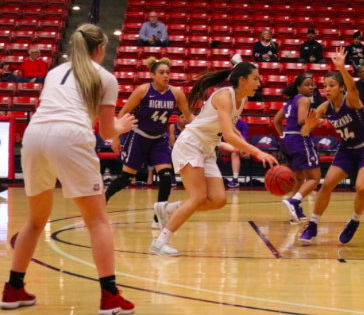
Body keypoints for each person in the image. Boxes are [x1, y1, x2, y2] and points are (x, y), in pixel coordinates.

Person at [0, 24, 138, 315]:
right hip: (70, 136)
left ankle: (13, 288)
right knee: (97, 221)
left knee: (35, 220)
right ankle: (110, 296)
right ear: (99, 49)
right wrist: (122, 126)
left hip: (35, 136)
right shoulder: (105, 77)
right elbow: (107, 130)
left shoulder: (54, 72)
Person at [150, 63, 278, 256]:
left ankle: (167, 209)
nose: (259, 83)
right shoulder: (224, 96)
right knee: (198, 198)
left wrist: (242, 144)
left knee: (218, 200)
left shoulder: (241, 100)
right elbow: (228, 134)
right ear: (242, 80)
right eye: (255, 78)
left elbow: (231, 127)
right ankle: (160, 242)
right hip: (191, 144)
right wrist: (256, 151)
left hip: (207, 148)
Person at [297, 47, 364, 244]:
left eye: (332, 85)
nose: (327, 89)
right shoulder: (325, 107)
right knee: (326, 185)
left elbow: (352, 88)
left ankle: (354, 221)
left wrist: (342, 68)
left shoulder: (351, 100)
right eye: (324, 86)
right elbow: (304, 132)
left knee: (361, 187)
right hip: (346, 150)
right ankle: (312, 225)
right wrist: (309, 126)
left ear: (341, 87)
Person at [104, 57, 193, 229]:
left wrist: (203, 127)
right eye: (161, 73)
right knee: (126, 178)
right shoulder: (142, 91)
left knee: (166, 177)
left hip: (159, 139)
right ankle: (104, 197)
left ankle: (158, 218)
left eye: (168, 73)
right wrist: (115, 136)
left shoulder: (176, 93)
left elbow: (189, 115)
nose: (166, 76)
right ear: (152, 75)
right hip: (139, 137)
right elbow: (123, 112)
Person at [273, 74, 321, 224]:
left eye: (312, 84)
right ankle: (294, 201)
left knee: (299, 178)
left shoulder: (289, 101)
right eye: (307, 84)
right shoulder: (304, 100)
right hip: (300, 139)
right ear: (299, 87)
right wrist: (316, 122)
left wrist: (283, 135)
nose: (311, 87)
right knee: (314, 177)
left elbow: (276, 121)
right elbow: (301, 120)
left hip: (287, 140)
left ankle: (295, 212)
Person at [217, 118, 249, 189]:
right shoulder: (225, 122)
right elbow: (225, 138)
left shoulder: (243, 123)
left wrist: (238, 146)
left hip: (239, 147)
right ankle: (239, 150)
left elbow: (243, 140)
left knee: (234, 153)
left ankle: (235, 179)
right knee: (220, 144)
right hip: (227, 147)